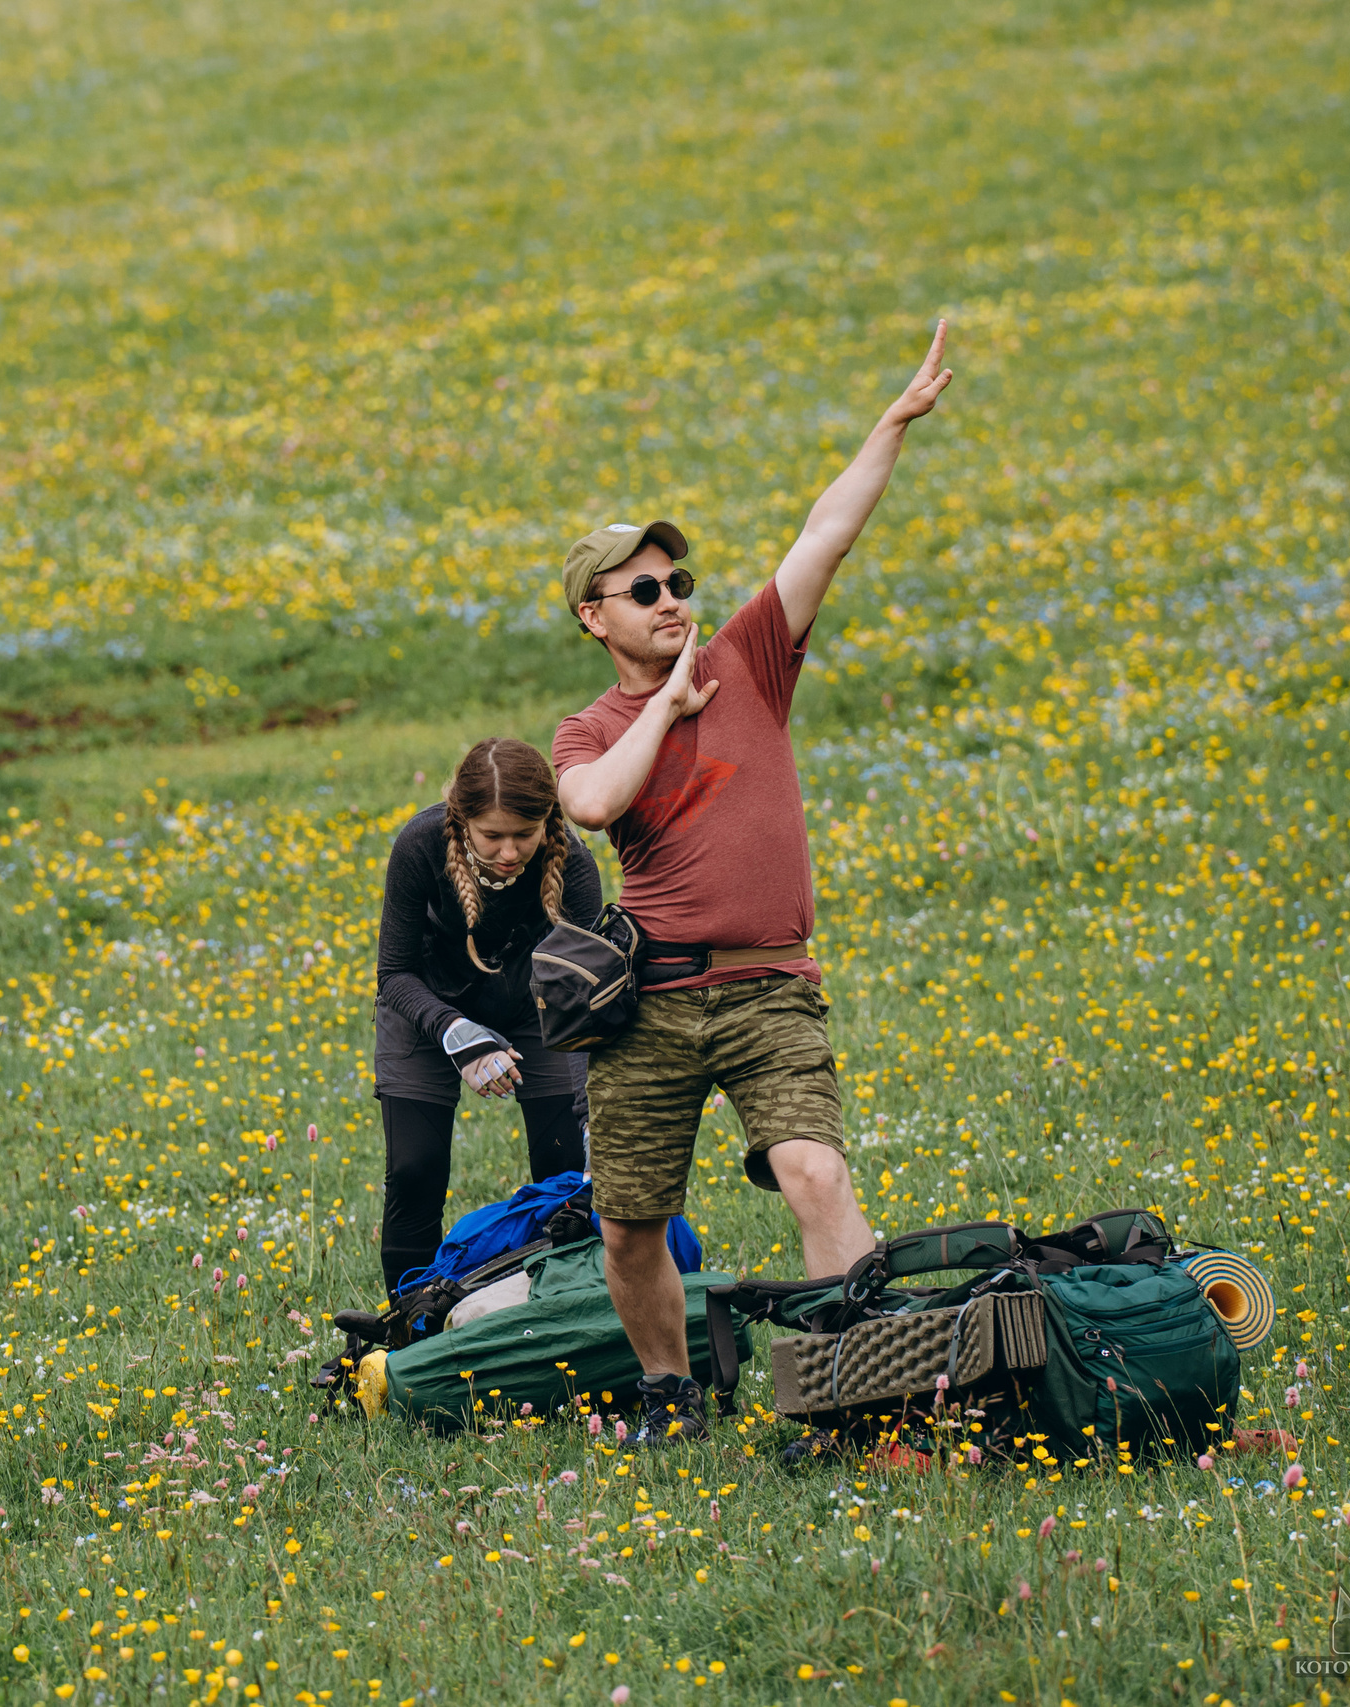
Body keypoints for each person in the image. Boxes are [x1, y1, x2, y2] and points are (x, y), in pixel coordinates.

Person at [552, 323, 956, 1449]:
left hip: (769, 987)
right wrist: (667, 711)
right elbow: (591, 809)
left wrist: (889, 425)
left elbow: (826, 533)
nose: (673, 599)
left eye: (679, 581)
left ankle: (870, 1397)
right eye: (645, 589)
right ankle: (671, 1391)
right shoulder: (589, 728)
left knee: (813, 1173)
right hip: (648, 1007)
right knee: (631, 1226)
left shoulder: (749, 658)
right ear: (597, 615)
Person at [372, 738, 603, 1298]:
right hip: (423, 1006)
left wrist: (592, 1112)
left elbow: (588, 998)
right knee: (415, 1170)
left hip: (535, 1010)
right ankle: (409, 1322)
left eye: (523, 835)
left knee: (566, 1173)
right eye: (492, 836)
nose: (508, 851)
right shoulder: (420, 845)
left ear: (546, 820)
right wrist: (460, 1035)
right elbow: (394, 972)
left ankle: (558, 1307)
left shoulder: (572, 865)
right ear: (461, 820)